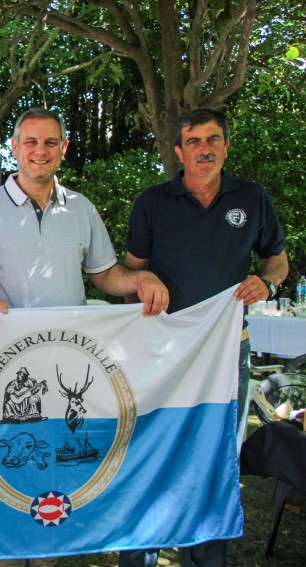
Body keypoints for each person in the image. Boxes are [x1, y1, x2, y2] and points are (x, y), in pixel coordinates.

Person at [0, 108, 169, 567]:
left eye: (51, 142)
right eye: (31, 142)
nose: (41, 151)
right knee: (12, 468)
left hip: (65, 366)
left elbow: (106, 276)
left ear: (64, 149)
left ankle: (48, 556)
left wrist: (141, 281)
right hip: (8, 371)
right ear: (14, 148)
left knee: (56, 470)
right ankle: (9, 557)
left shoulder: (82, 208)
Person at [119, 108, 288, 567]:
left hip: (226, 350)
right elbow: (133, 272)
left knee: (216, 459)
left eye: (213, 140)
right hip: (164, 349)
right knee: (152, 449)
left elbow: (278, 260)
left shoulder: (252, 199)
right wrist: (145, 282)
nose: (204, 149)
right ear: (179, 151)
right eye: (194, 142)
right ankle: (140, 557)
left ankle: (205, 559)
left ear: (226, 146)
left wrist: (267, 282)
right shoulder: (153, 202)